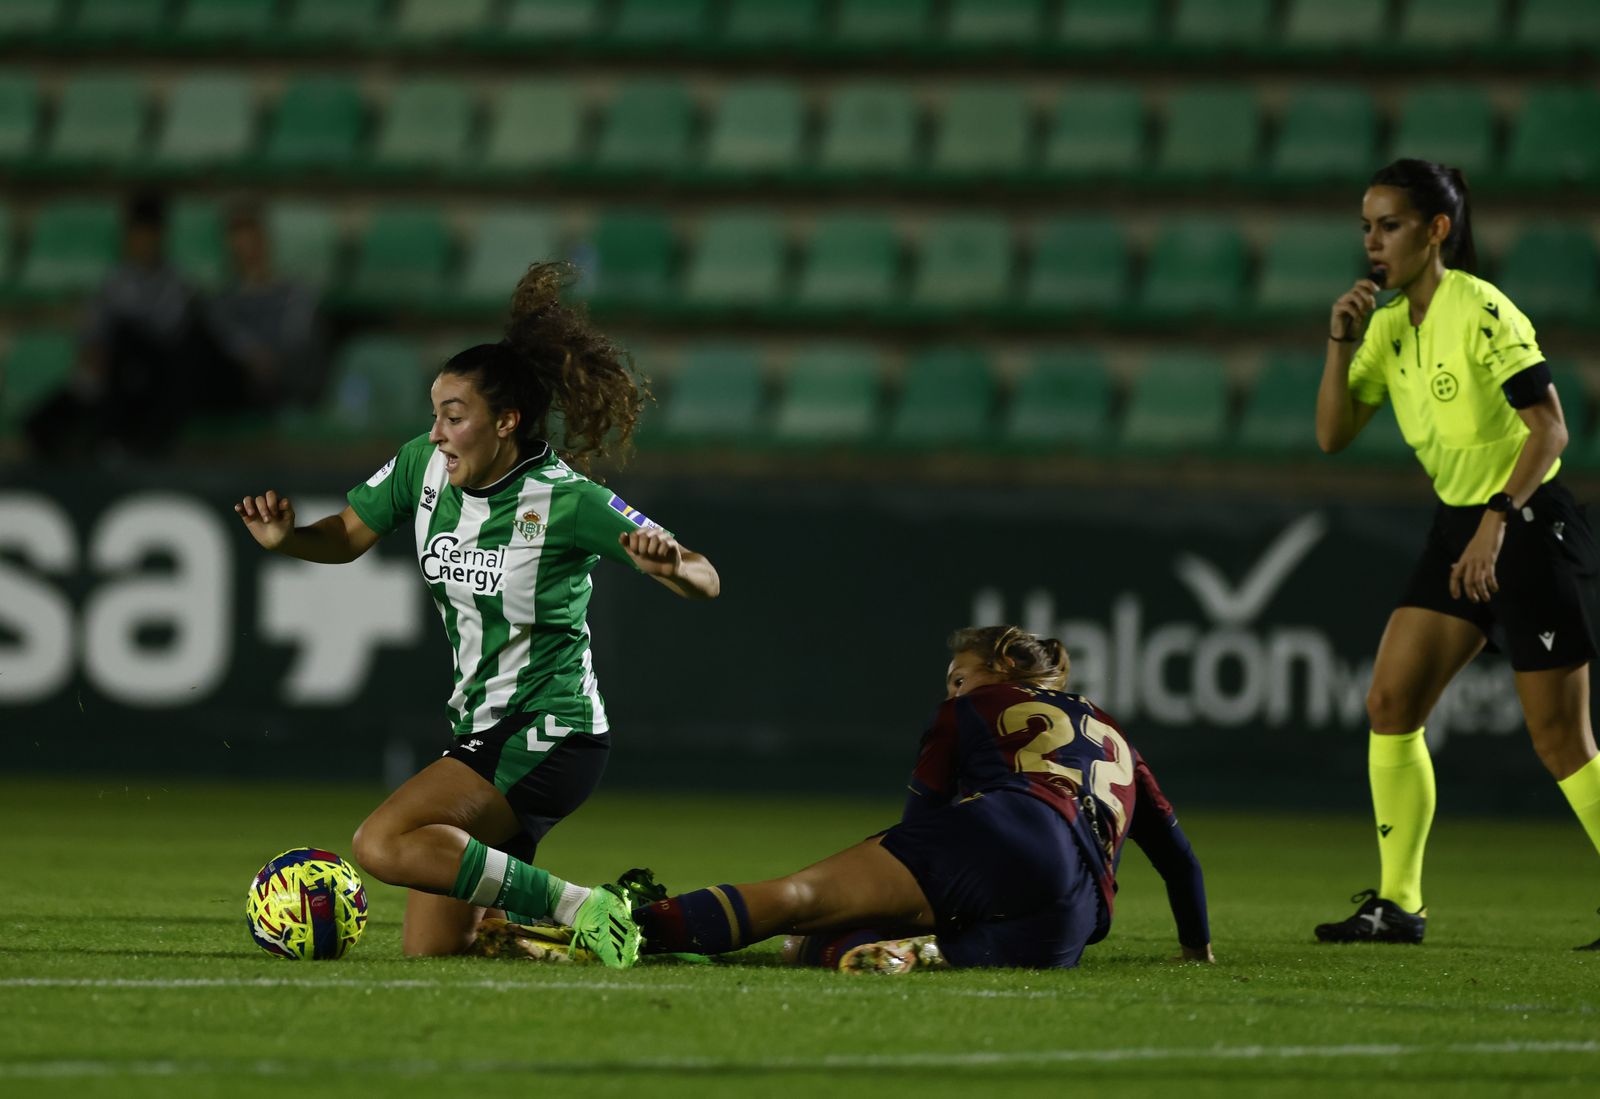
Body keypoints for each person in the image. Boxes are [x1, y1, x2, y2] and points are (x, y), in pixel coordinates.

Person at [235, 261, 721, 965]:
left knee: (382, 842)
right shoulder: (422, 468)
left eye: (453, 417)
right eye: (435, 414)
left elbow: (706, 575)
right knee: (436, 949)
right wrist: (288, 538)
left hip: (549, 731)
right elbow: (345, 534)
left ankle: (583, 905)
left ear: (506, 421)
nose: (436, 432)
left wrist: (670, 567)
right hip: (482, 727)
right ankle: (629, 925)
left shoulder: (566, 499)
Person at [1313, 158, 1600, 949]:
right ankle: (1398, 904)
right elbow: (1333, 436)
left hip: (1527, 521)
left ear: (1438, 230)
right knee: (1390, 704)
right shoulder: (1385, 326)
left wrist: (1497, 519)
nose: (1374, 242)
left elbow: (1551, 429)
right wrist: (1339, 344)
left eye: (1390, 225)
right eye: (1366, 227)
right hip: (1458, 525)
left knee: (1560, 740)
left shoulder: (1481, 310)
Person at [614, 626, 1211, 972]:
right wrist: (1196, 951)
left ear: (1001, 668)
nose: (951, 688)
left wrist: (877, 890)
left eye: (959, 676)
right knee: (883, 946)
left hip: (1012, 824)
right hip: (1076, 916)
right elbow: (1180, 859)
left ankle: (630, 930)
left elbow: (920, 823)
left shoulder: (973, 708)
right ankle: (916, 955)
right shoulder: (1116, 736)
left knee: (803, 897)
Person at [26, 192, 209, 459]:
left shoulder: (177, 286)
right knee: (40, 424)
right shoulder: (113, 282)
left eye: (149, 233)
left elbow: (168, 342)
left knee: (127, 345)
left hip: (153, 385)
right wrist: (93, 350)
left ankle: (113, 442)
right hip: (111, 379)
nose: (142, 241)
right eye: (137, 233)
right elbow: (93, 334)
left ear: (160, 236)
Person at [204, 203, 326, 412]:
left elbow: (297, 337)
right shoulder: (223, 300)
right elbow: (225, 336)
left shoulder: (294, 293)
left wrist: (271, 358)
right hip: (241, 385)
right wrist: (252, 354)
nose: (248, 252)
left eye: (252, 242)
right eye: (240, 246)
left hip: (287, 378)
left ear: (264, 242)